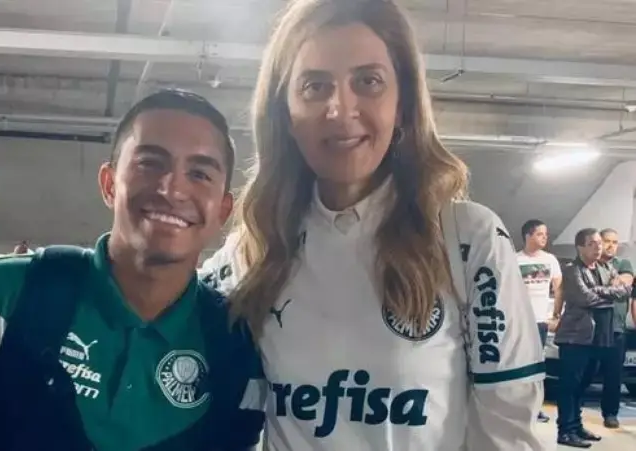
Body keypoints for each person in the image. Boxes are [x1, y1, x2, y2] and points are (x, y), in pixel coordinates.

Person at [200, 0, 544, 449]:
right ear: (284, 113)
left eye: (368, 81)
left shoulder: (468, 240)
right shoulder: (254, 248)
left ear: (403, 105)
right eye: (315, 86)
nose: (340, 109)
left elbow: (507, 429)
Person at [0, 89, 264, 451]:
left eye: (199, 173)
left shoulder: (234, 339)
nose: (172, 188)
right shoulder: (4, 294)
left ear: (223, 210)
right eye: (150, 163)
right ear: (109, 184)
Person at [554, 228, 631, 448]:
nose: (598, 248)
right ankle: (566, 430)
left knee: (584, 383)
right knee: (570, 385)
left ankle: (576, 425)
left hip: (597, 338)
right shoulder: (572, 269)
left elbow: (625, 291)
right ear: (580, 247)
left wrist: (599, 291)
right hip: (575, 337)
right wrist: (608, 293)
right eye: (592, 244)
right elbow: (585, 298)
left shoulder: (605, 267)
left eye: (599, 243)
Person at [516, 219, 562, 423]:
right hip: (520, 321)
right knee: (519, 364)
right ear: (528, 235)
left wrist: (556, 315)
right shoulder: (515, 259)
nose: (545, 238)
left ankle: (536, 406)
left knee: (537, 365)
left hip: (541, 320)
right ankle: (520, 405)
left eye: (546, 234)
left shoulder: (550, 260)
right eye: (540, 234)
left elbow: (559, 288)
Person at [598, 228, 634, 429]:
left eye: (614, 242)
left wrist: (608, 284)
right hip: (592, 328)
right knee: (585, 373)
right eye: (607, 241)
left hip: (616, 328)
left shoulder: (623, 264)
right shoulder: (591, 264)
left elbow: (625, 283)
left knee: (614, 375)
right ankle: (574, 416)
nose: (611, 245)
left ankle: (610, 414)